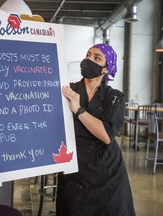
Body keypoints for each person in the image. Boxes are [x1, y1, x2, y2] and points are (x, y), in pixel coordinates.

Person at [56, 43, 136, 216]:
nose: (89, 59)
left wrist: (78, 110)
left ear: (106, 69)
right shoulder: (68, 90)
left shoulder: (114, 97)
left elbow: (106, 135)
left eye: (96, 58)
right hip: (74, 169)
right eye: (88, 55)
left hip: (106, 172)